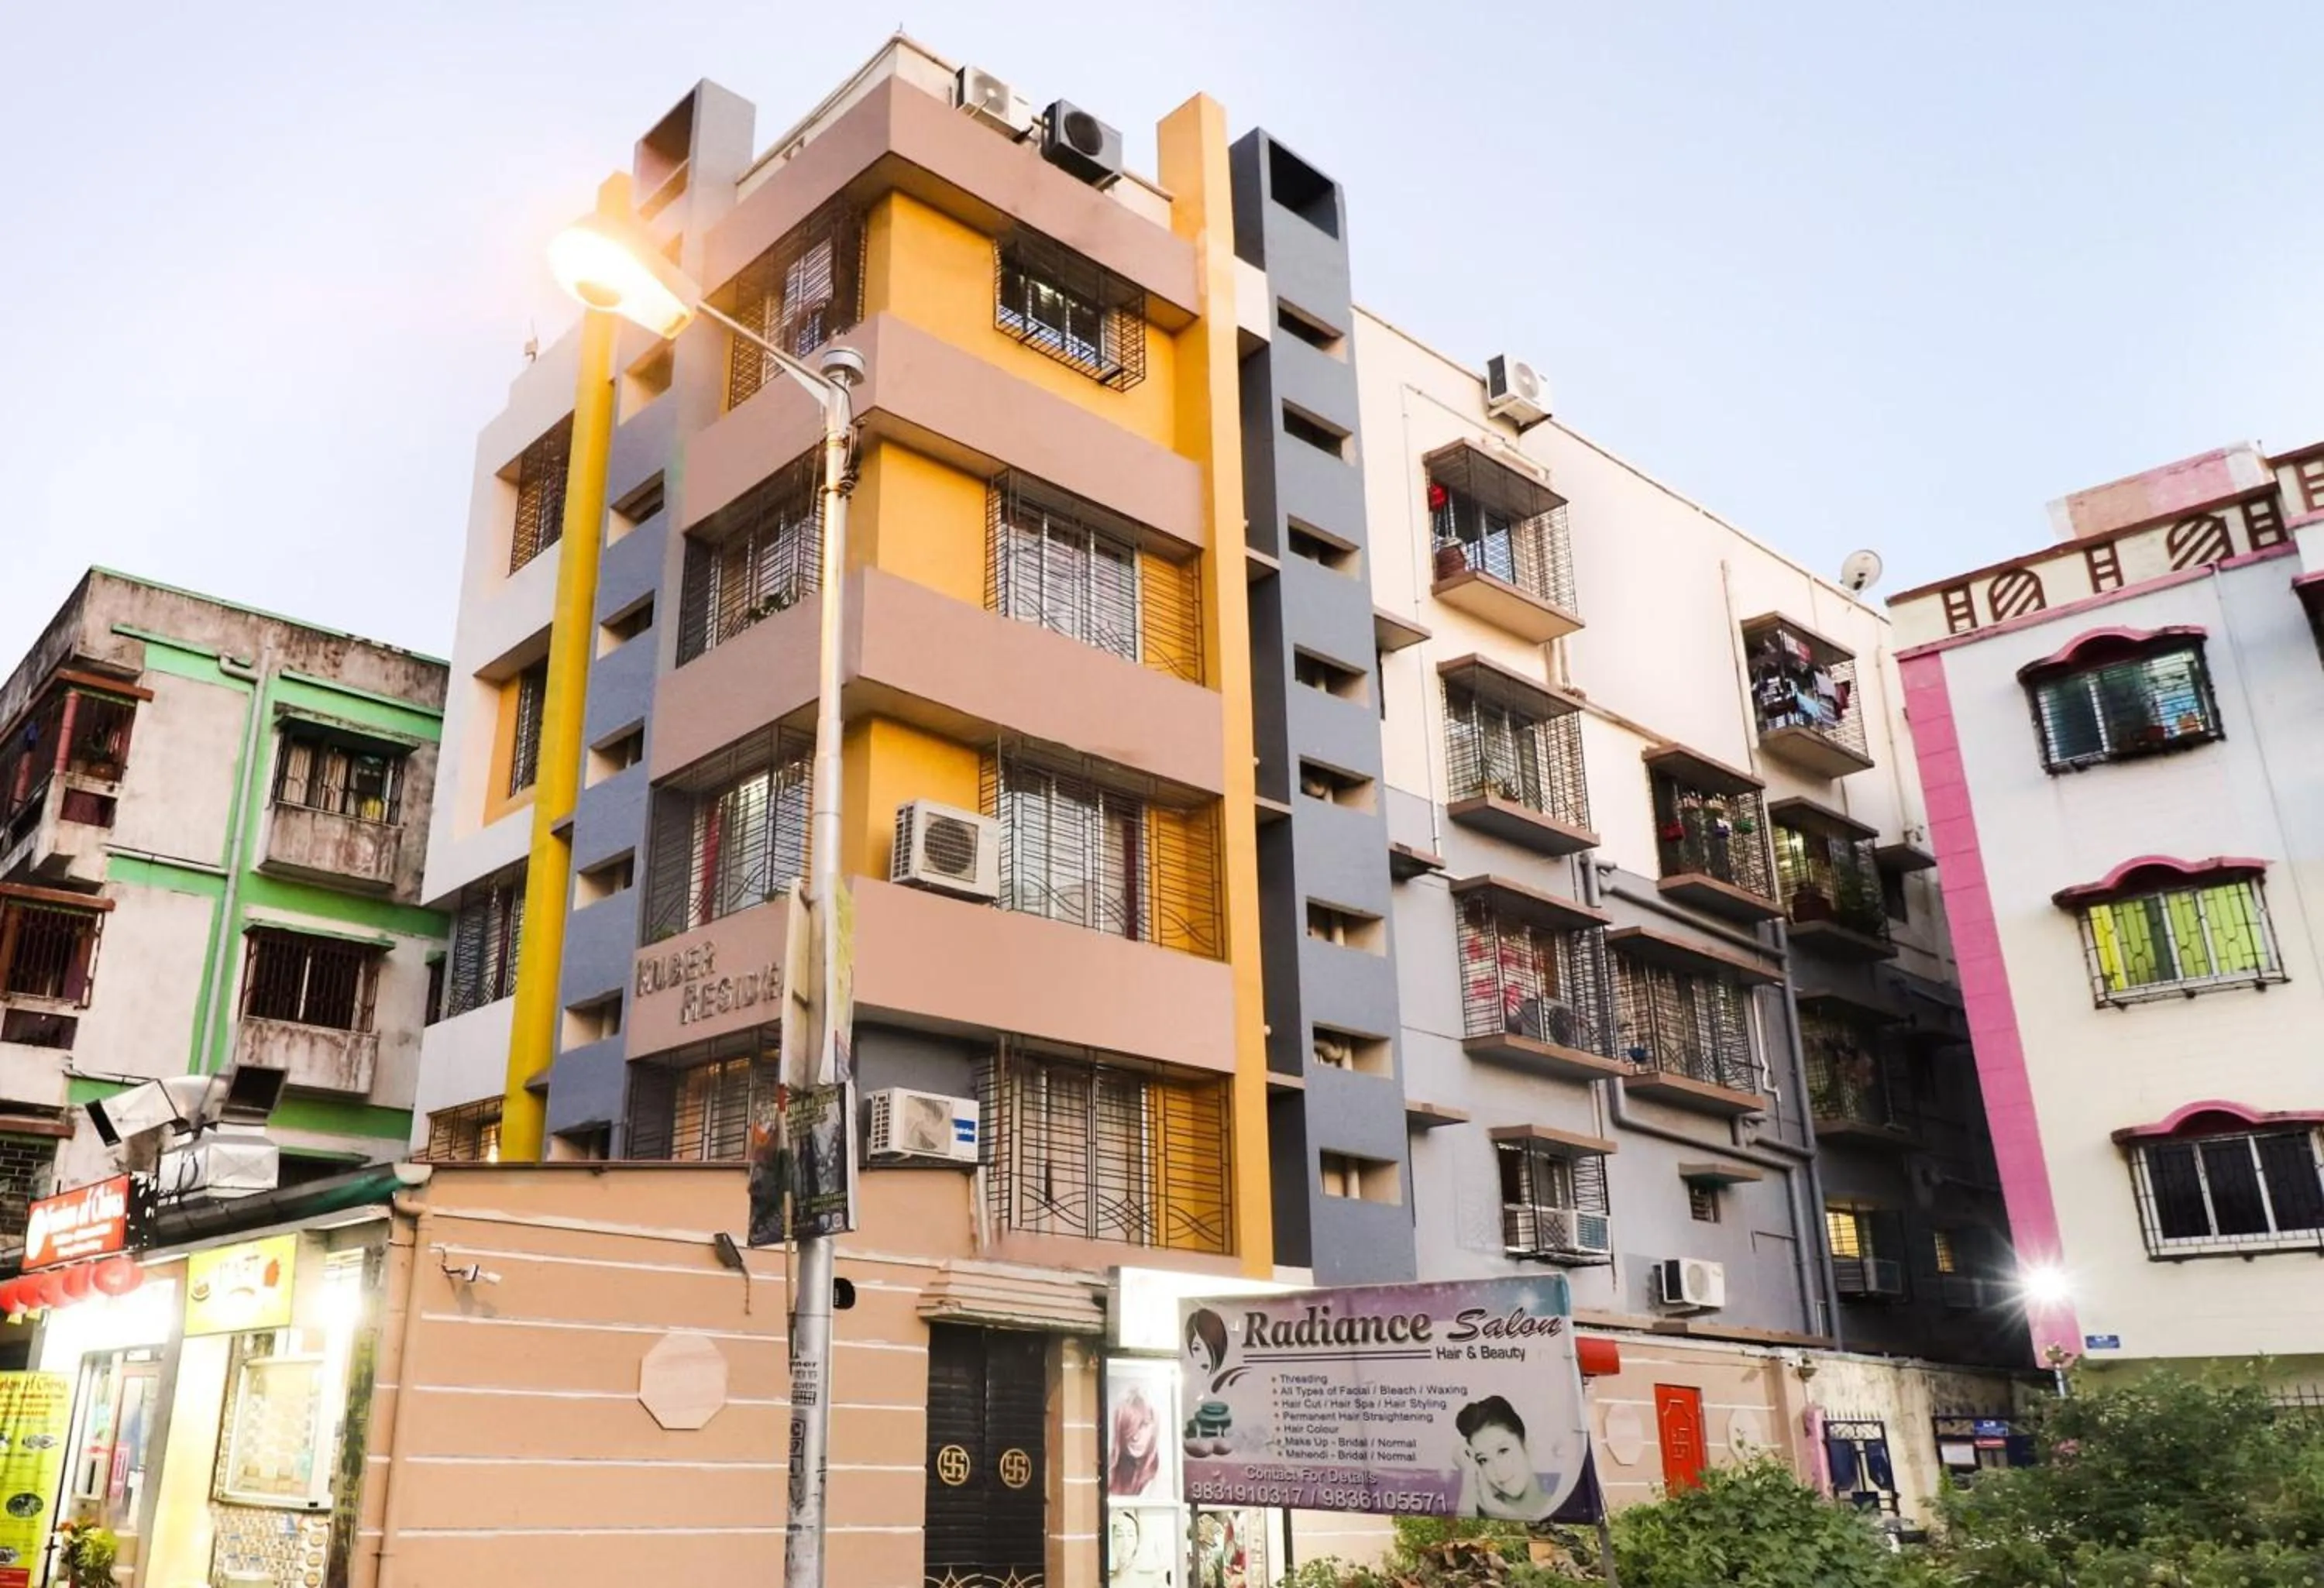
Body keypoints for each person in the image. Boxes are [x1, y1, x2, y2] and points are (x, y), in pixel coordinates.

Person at [1452, 1396, 1556, 1522]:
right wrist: (1469, 1472)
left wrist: (1495, 1507)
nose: (1499, 1471)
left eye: (1503, 1451)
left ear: (1527, 1445)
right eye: (1483, 1460)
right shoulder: (1477, 1513)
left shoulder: (1564, 1504)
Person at [1109, 1383, 1161, 1497]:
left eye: (1144, 1425)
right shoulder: (1110, 1475)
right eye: (1129, 1427)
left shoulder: (1161, 1482)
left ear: (1154, 1427)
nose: (1135, 1437)